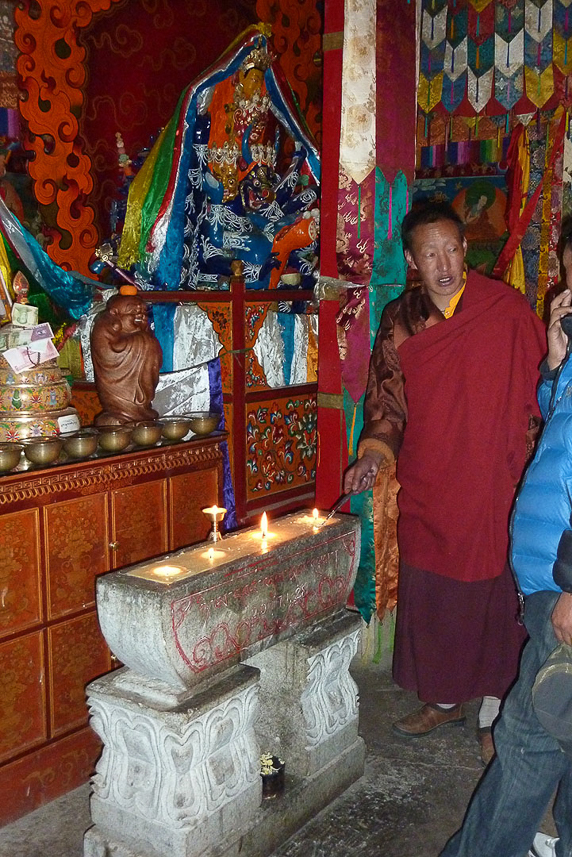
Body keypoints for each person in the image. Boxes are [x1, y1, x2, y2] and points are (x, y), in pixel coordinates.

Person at [343, 201, 546, 765]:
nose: (444, 264)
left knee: (493, 597)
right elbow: (386, 402)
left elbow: (540, 386)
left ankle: (495, 712)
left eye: (452, 249)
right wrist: (375, 454)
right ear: (412, 260)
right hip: (432, 476)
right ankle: (443, 698)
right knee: (435, 595)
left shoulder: (503, 309)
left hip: (493, 478)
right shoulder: (401, 317)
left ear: (466, 250)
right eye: (429, 253)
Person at [438, 236, 572, 857]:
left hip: (564, 585)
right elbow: (559, 422)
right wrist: (555, 363)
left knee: (527, 742)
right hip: (549, 571)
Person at [91, 289, 162, 425]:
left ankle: (141, 410)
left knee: (149, 342)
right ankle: (125, 414)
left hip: (139, 393)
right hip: (118, 390)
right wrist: (142, 341)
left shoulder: (144, 337)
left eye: (142, 312)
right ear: (115, 314)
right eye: (133, 312)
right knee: (146, 342)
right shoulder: (103, 328)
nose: (140, 315)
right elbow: (108, 353)